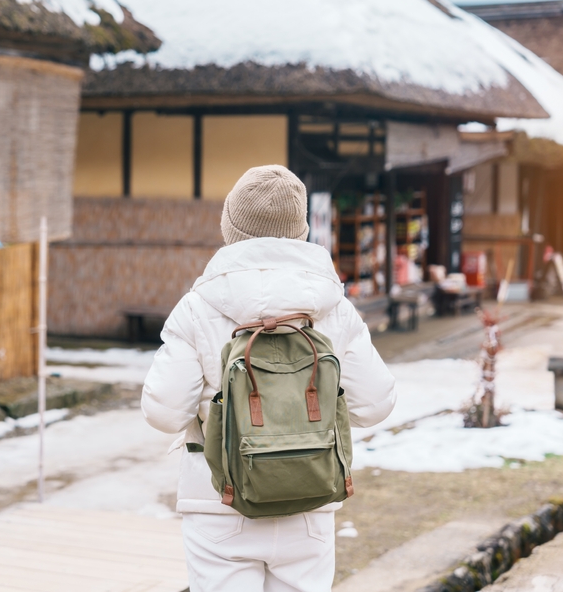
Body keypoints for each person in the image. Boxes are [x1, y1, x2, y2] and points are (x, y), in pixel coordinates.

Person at [141, 165, 397, 591]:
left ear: (230, 227)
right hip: (309, 500)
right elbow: (376, 403)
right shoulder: (332, 306)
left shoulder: (197, 306)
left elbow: (164, 412)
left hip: (218, 503)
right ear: (301, 230)